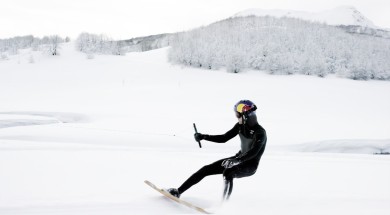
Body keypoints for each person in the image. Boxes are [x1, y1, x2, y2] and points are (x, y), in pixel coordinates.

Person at [167, 100, 267, 200]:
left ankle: (223, 207)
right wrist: (204, 137)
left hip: (250, 165)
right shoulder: (240, 127)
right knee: (205, 169)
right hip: (237, 159)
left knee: (228, 173)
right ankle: (178, 192)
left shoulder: (260, 133)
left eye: (237, 115)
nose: (236, 117)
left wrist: (237, 160)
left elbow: (254, 152)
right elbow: (224, 138)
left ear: (246, 115)